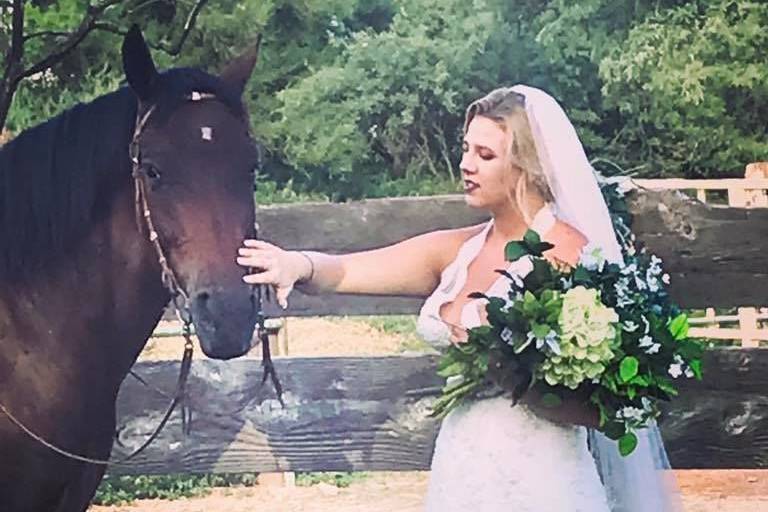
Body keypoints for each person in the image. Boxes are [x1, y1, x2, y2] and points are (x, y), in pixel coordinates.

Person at [237, 85, 681, 511]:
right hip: (461, 467)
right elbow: (351, 269)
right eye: (466, 149)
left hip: (540, 477)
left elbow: (602, 412)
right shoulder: (459, 249)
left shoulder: (571, 255)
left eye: (484, 155)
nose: (466, 164)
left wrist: (512, 374)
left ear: (526, 166)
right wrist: (297, 264)